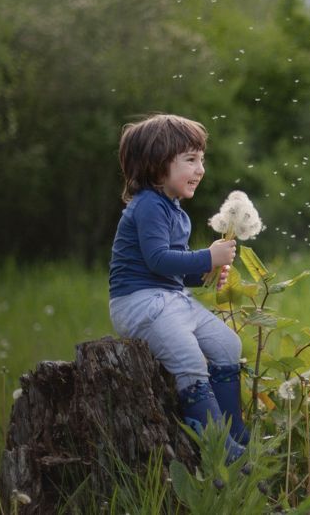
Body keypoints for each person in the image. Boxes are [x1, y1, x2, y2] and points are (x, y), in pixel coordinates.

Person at [107, 114, 249, 460]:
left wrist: (205, 273)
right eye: (190, 160)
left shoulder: (174, 211)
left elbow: (174, 272)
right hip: (140, 303)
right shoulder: (148, 206)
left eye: (201, 159)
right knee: (190, 360)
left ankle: (234, 430)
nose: (200, 169)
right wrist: (207, 256)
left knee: (228, 345)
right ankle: (218, 447)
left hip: (170, 298)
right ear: (157, 165)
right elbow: (158, 260)